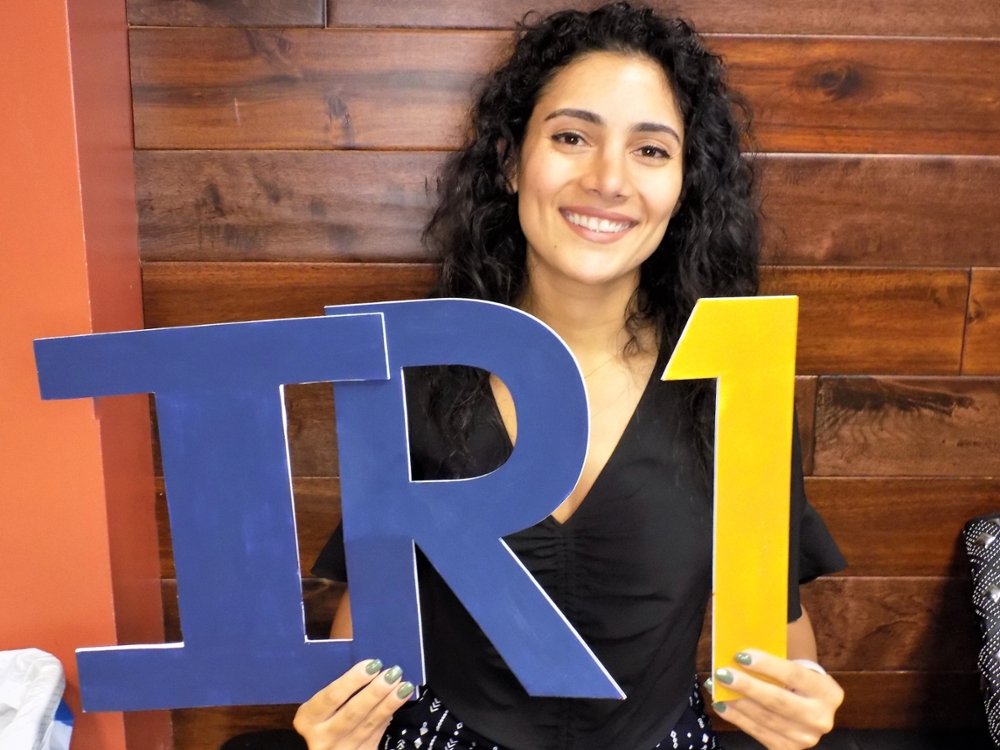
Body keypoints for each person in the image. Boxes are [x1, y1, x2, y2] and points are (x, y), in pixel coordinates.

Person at [294, 4, 847, 749]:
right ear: (509, 157)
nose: (608, 179)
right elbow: (369, 639)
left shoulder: (734, 387)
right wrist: (342, 730)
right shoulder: (416, 377)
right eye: (571, 137)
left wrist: (797, 715)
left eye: (651, 151)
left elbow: (775, 642)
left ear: (685, 183)